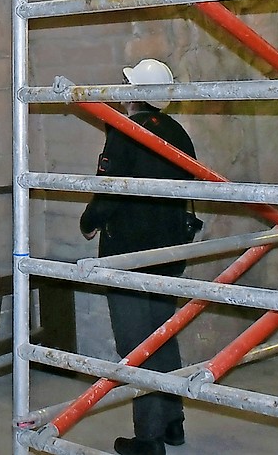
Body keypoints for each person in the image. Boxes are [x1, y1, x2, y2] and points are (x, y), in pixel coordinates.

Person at [80, 59, 195, 455]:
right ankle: (173, 421)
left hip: (129, 251)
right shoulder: (178, 131)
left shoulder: (125, 130)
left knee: (137, 345)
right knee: (162, 334)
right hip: (170, 249)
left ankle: (148, 439)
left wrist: (89, 219)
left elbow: (110, 189)